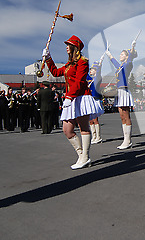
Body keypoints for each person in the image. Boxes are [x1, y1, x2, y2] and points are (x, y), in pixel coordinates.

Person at [43, 35, 104, 169]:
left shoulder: (82, 62)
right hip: (71, 98)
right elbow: (55, 72)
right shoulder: (69, 64)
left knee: (83, 127)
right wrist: (48, 58)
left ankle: (85, 157)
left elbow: (80, 81)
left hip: (81, 97)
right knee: (67, 130)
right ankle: (81, 155)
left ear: (74, 47)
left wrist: (69, 96)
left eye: (68, 45)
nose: (66, 47)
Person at [105, 41, 137, 149]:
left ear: (127, 56)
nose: (120, 55)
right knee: (122, 116)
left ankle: (128, 141)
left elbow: (131, 57)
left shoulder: (128, 64)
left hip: (124, 90)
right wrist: (109, 55)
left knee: (126, 115)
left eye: (122, 54)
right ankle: (125, 139)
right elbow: (115, 63)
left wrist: (132, 47)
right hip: (118, 91)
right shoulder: (121, 66)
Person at [87, 57, 105, 144]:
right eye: (90, 70)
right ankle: (93, 136)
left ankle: (98, 136)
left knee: (95, 119)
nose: (91, 71)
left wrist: (100, 64)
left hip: (95, 99)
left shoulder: (97, 78)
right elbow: (84, 72)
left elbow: (99, 72)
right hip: (89, 99)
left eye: (92, 69)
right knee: (90, 119)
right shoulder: (89, 79)